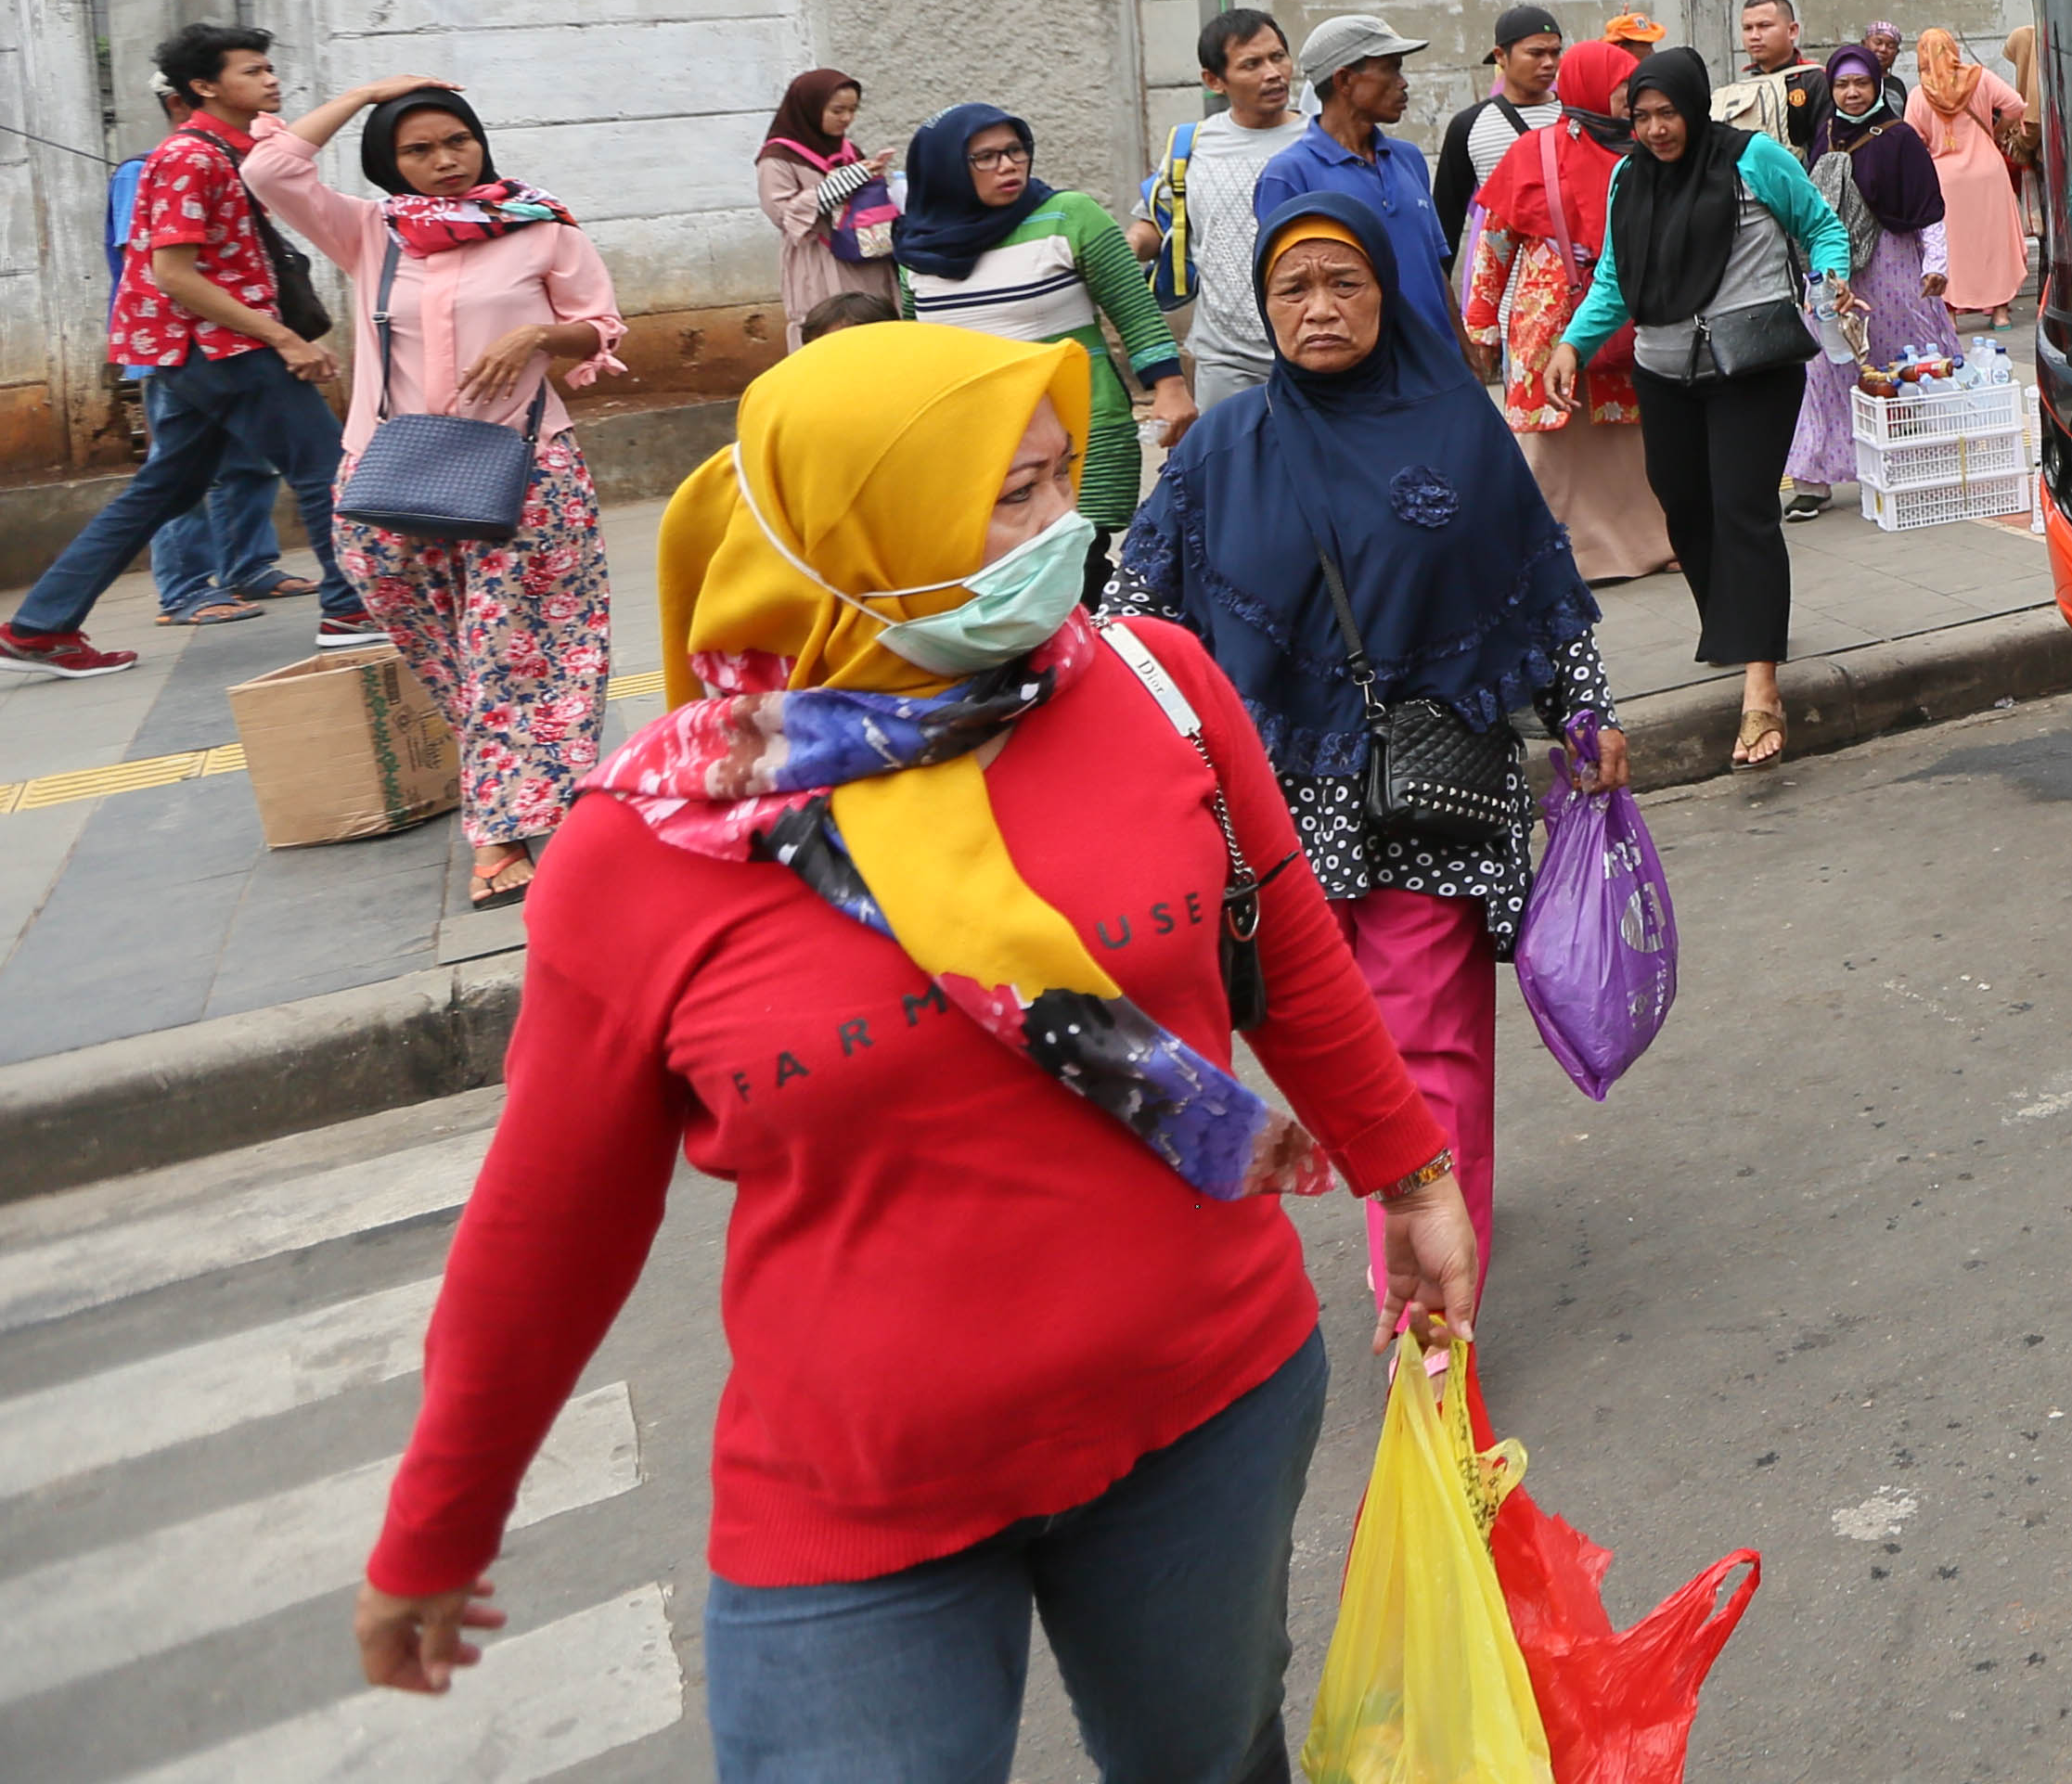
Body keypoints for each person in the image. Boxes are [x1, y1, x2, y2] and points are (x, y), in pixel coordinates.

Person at [352, 324, 1477, 1777]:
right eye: (1009, 496)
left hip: (1210, 1417)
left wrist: (1411, 1173)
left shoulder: (1155, 685)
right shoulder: (650, 850)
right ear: (852, 534)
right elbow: (548, 1228)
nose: (1060, 530)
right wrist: (439, 1522)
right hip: (856, 1514)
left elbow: (1291, 946)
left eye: (1063, 479)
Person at [1113, 195, 1616, 1302]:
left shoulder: (1458, 428)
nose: (1320, 308)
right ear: (1263, 308)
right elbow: (1136, 619)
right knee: (1342, 1056)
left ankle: (1432, 1328)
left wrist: (1586, 713)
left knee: (1427, 1049)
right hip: (1275, 815)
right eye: (1292, 288)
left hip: (1431, 790)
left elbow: (1535, 583)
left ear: (1387, 291)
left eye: (1344, 282)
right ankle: (1433, 1208)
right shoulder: (1223, 450)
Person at [248, 80, 631, 911]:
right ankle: (526, 789)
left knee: (521, 651)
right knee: (452, 656)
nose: (444, 161)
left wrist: (538, 335)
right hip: (388, 473)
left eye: (457, 141)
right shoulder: (369, 231)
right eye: (417, 149)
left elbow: (601, 326)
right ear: (389, 162)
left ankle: (499, 834)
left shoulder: (542, 227)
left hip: (528, 473)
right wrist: (367, 94)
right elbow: (270, 170)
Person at [2, 24, 366, 674]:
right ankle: (350, 610)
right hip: (220, 348)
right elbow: (173, 273)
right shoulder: (190, 158)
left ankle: (39, 627)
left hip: (200, 351)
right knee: (323, 467)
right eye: (252, 71)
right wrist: (282, 337)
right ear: (204, 86)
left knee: (165, 487)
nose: (271, 80)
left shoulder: (227, 151)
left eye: (268, 68)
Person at [1552, 45, 1847, 770]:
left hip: (1753, 366)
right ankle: (1735, 624)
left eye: (1668, 114)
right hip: (1664, 370)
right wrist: (1572, 346)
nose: (1656, 129)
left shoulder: (1754, 160)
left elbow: (1821, 226)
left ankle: (1761, 685)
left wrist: (1831, 277)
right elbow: (1616, 280)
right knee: (1684, 506)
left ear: (1694, 106)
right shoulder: (1629, 177)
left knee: (1744, 509)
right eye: (1642, 116)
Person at [894, 106, 1190, 577]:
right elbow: (921, 352)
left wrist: (1169, 387)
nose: (1008, 166)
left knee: (1074, 568)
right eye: (986, 157)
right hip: (975, 444)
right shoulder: (916, 252)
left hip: (1076, 435)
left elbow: (1134, 310)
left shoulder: (1070, 216)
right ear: (943, 168)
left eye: (1016, 151)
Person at [1454, 39, 1666, 583]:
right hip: (1549, 326)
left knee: (1635, 442)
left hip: (1628, 318)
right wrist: (1480, 324)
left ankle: (1655, 545)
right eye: (1622, 87)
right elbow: (1494, 247)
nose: (1632, 98)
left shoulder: (1648, 151)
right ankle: (1559, 558)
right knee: (1554, 446)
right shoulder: (1534, 152)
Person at [111, 76, 299, 624]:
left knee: (250, 459)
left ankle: (250, 566)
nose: (268, 84)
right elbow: (158, 268)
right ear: (183, 100)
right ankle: (186, 589)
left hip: (234, 340)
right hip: (178, 346)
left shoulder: (224, 161)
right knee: (182, 472)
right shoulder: (155, 167)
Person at [1782, 48, 1961, 520]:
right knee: (1825, 368)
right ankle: (1814, 478)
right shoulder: (1825, 134)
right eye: (1842, 85)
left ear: (1878, 85)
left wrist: (1935, 264)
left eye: (1861, 83)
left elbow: (1927, 207)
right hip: (1834, 270)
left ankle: (1915, 460)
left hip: (1891, 266)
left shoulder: (1900, 137)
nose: (1852, 93)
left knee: (1900, 362)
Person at [1132, 9, 1301, 411]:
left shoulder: (1321, 141)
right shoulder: (1191, 146)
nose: (1273, 73)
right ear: (1214, 80)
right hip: (1226, 360)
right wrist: (1118, 252)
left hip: (1314, 350)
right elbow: (1156, 225)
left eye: (1278, 57)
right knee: (1233, 452)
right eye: (1251, 64)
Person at [1264, 12, 1451, 314]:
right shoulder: (1289, 176)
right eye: (1391, 69)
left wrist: (1458, 342)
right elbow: (1289, 292)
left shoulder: (1409, 159)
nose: (1403, 83)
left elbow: (1434, 266)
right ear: (1344, 80)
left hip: (1433, 345)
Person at [751, 70, 894, 343]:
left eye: (853, 110)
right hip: (819, 260)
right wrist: (841, 183)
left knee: (874, 328)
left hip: (866, 256)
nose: (847, 118)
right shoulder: (778, 158)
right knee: (829, 332)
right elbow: (783, 214)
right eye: (837, 110)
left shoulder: (848, 150)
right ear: (810, 108)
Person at [1907, 27, 2033, 325]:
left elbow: (1912, 139)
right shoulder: (1981, 79)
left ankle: (1951, 315)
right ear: (1954, 49)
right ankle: (2000, 313)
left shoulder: (1919, 94)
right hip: (1989, 172)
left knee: (1951, 247)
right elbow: (2016, 106)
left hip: (1946, 180)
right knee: (1995, 242)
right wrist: (1996, 131)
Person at [1431, 6, 1565, 259]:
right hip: (1500, 279)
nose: (1549, 63)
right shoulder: (1469, 125)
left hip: (1574, 278)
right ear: (1500, 56)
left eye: (1555, 52)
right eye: (1536, 53)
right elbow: (1446, 220)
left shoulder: (1577, 116)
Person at [1715, 0, 1830, 157]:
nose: (1754, 36)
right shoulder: (1738, 89)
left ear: (1792, 31)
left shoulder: (1817, 81)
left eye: (1764, 26)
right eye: (1747, 28)